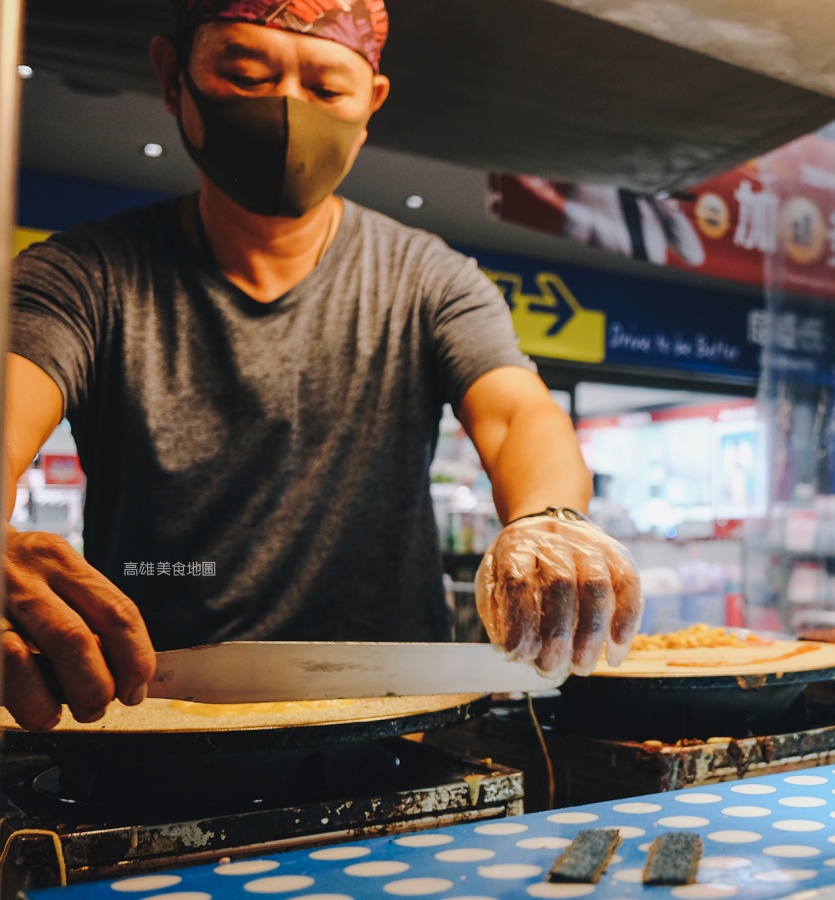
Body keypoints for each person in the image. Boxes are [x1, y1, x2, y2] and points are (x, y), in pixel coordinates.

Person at [3, 0, 641, 731]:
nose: (287, 112)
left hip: (403, 720)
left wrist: (550, 521)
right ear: (173, 77)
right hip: (159, 720)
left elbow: (516, 412)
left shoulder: (428, 278)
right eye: (245, 73)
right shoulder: (84, 278)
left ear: (371, 102)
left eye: (327, 89)